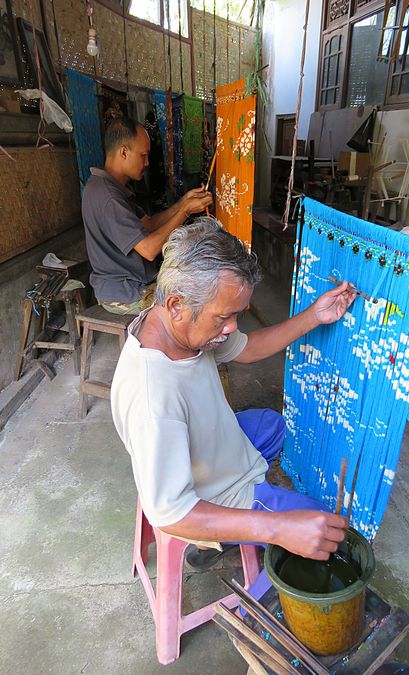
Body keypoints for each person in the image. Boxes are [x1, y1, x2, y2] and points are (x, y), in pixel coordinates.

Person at [111, 218, 356, 562]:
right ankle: (224, 534)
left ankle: (227, 530)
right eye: (224, 317)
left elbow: (247, 348)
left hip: (210, 451)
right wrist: (277, 528)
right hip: (214, 491)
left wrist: (315, 315)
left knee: (273, 426)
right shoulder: (154, 399)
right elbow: (170, 513)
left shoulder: (171, 322)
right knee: (328, 534)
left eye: (237, 314)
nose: (231, 327)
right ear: (177, 306)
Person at [82, 116, 212, 315]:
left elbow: (149, 225)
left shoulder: (112, 188)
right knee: (196, 306)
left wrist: (183, 202)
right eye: (143, 155)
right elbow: (150, 250)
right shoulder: (108, 197)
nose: (147, 162)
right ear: (124, 152)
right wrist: (185, 212)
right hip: (125, 293)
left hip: (132, 283)